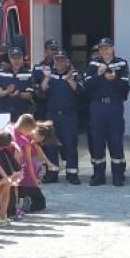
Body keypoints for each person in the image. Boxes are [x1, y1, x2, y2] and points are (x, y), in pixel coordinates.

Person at [84, 37, 130, 186]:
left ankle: (117, 175)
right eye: (102, 49)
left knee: (116, 140)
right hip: (98, 106)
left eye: (107, 48)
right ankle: (99, 175)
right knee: (97, 140)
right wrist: (98, 75)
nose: (104, 51)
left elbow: (125, 88)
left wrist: (114, 79)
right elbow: (87, 86)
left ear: (113, 49)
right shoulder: (93, 64)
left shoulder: (121, 63)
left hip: (115, 106)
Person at [37, 50, 82, 184]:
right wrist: (46, 78)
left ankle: (72, 174)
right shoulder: (50, 75)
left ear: (67, 62)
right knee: (50, 145)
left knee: (70, 145)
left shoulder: (75, 74)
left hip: (69, 115)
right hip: (52, 115)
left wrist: (70, 80)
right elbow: (41, 91)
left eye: (62, 60)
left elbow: (80, 92)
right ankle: (52, 174)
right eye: (57, 60)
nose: (59, 62)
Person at [0, 47, 34, 121]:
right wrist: (7, 92)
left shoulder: (28, 74)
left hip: (22, 115)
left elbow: (29, 95)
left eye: (19, 58)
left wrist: (18, 94)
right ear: (9, 60)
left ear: (23, 58)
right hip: (4, 114)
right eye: (14, 59)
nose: (17, 61)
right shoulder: (1, 74)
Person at [32, 38, 60, 120]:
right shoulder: (38, 67)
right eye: (52, 49)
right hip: (43, 106)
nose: (54, 52)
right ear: (46, 51)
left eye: (56, 49)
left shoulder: (63, 67)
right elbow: (33, 85)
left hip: (57, 106)